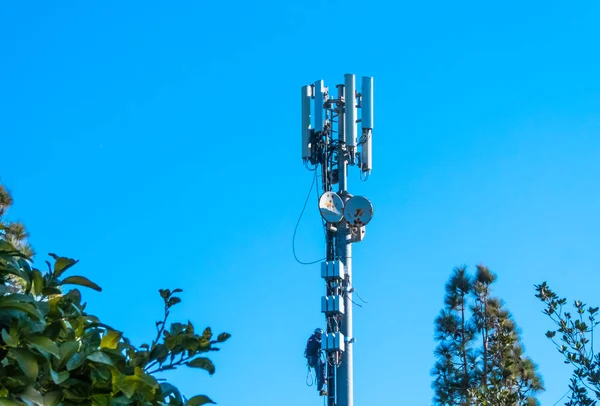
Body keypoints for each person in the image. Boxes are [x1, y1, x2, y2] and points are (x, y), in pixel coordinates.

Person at [305, 328, 327, 396]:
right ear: (316, 334)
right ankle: (321, 387)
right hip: (314, 359)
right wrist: (326, 341)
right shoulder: (313, 340)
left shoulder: (312, 339)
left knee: (320, 372)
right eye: (320, 335)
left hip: (314, 359)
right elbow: (317, 345)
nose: (320, 336)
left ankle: (322, 384)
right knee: (320, 370)